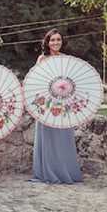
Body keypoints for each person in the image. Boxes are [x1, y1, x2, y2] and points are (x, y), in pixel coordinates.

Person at [30, 29, 82, 184]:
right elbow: (35, 80)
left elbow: (73, 81)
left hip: (63, 104)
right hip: (46, 105)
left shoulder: (67, 59)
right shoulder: (42, 59)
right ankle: (48, 171)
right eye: (52, 40)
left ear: (62, 41)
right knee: (48, 139)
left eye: (58, 39)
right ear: (47, 42)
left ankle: (65, 171)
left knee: (63, 138)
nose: (55, 42)